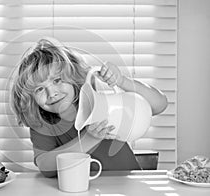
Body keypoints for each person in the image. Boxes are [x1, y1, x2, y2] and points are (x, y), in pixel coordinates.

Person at [10, 37, 168, 177]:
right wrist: (89, 139)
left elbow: (159, 105)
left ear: (72, 76)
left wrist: (121, 81)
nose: (51, 93)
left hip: (128, 183)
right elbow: (45, 166)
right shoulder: (42, 123)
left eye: (57, 80)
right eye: (39, 89)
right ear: (30, 99)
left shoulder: (96, 100)